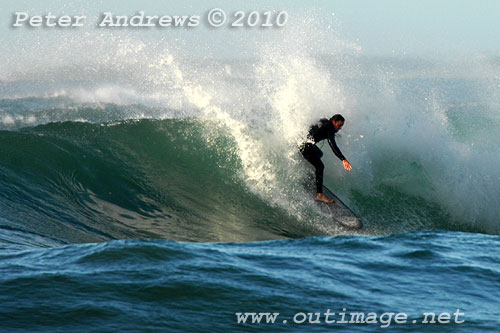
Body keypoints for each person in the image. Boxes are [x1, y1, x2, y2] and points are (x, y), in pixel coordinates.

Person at [300, 114, 352, 203]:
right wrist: (343, 159)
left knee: (319, 154)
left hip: (302, 142)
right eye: (339, 125)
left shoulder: (324, 121)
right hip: (305, 146)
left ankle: (310, 174)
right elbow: (333, 145)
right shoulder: (329, 129)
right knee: (320, 166)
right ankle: (319, 195)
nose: (340, 128)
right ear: (333, 122)